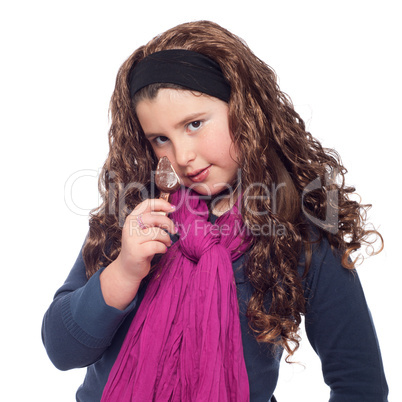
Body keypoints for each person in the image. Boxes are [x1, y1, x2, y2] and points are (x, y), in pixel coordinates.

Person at [42, 20, 388, 401]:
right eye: (161, 139)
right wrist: (124, 271)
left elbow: (359, 382)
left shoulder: (298, 231)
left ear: (244, 111)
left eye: (194, 124)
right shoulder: (138, 214)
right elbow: (62, 350)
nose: (182, 156)